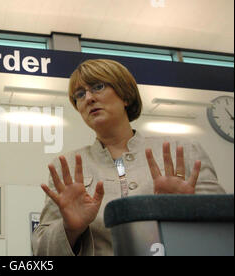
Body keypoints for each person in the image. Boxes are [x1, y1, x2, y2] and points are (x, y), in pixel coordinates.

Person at [31, 59, 225, 256]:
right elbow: (41, 251)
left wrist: (186, 209)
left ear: (125, 96)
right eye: (80, 94)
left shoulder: (182, 151)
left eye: (98, 87)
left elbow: (224, 230)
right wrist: (69, 229)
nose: (88, 98)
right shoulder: (67, 167)